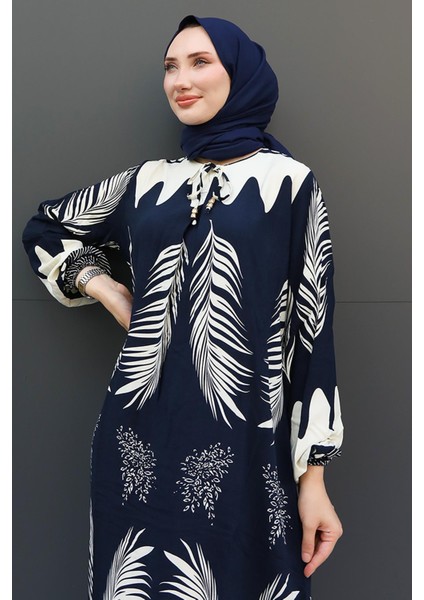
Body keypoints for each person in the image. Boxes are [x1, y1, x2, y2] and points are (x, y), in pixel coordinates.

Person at [22, 14, 344, 600]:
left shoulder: (289, 184)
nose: (181, 80)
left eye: (200, 62)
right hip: (136, 443)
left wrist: (314, 477)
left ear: (240, 74)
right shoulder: (146, 182)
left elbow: (312, 331)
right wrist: (107, 289)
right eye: (170, 67)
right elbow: (45, 228)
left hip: (247, 449)